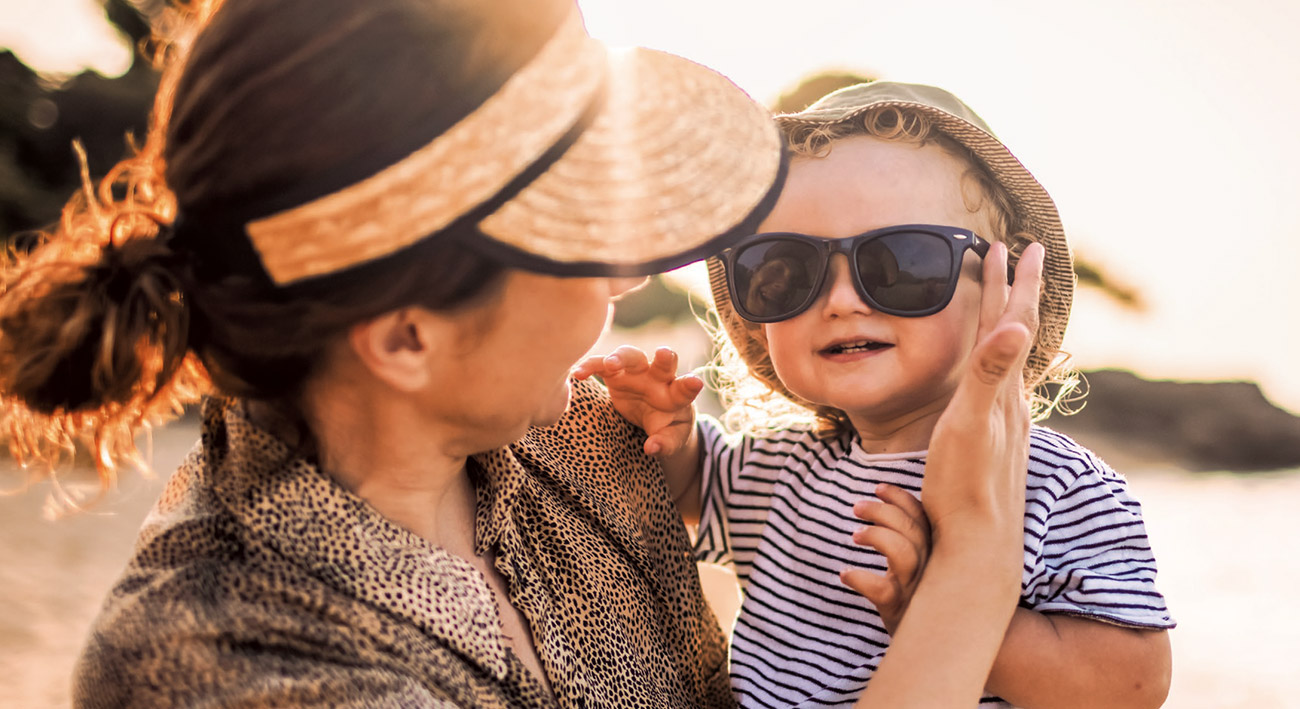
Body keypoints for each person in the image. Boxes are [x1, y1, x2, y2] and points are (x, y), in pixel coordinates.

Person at [0, 0, 1046, 703]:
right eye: (580, 240)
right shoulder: (219, 664)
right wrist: (974, 570)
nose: (626, 276)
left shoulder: (592, 453)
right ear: (406, 336)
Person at [579, 81, 1175, 708]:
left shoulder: (1055, 485)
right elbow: (690, 488)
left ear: (1004, 289)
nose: (840, 301)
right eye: (786, 272)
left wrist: (940, 603)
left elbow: (1130, 682)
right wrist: (665, 433)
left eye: (902, 264)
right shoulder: (785, 469)